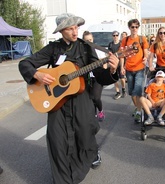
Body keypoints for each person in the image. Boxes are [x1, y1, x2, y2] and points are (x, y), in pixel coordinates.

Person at [18, 13, 119, 184]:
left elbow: (100, 76)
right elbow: (25, 64)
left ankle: (86, 160)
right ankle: (63, 180)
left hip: (82, 100)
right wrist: (37, 74)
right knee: (57, 141)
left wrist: (112, 71)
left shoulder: (86, 47)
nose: (75, 31)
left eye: (76, 27)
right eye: (70, 28)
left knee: (84, 137)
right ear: (61, 31)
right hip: (58, 102)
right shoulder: (53, 48)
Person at [120, 19, 149, 123]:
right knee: (132, 93)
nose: (135, 29)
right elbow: (122, 55)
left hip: (140, 68)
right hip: (128, 69)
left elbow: (146, 52)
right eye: (132, 27)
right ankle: (138, 108)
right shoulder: (125, 40)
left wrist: (145, 58)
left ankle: (139, 111)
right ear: (129, 28)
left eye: (136, 27)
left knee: (138, 90)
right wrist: (122, 67)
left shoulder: (142, 39)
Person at [82, 31, 106, 122]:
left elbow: (104, 64)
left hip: (97, 78)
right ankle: (93, 114)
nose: (89, 42)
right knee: (89, 97)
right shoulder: (82, 51)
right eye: (87, 40)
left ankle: (100, 111)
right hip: (86, 77)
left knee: (96, 97)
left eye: (90, 39)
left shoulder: (98, 50)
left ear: (93, 39)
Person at [108, 31, 127, 100]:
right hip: (113, 64)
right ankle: (118, 92)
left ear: (118, 36)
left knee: (122, 78)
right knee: (114, 79)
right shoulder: (110, 44)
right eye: (114, 35)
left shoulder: (121, 43)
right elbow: (108, 53)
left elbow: (123, 54)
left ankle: (123, 89)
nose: (115, 37)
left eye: (116, 35)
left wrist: (123, 66)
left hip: (120, 62)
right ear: (112, 36)